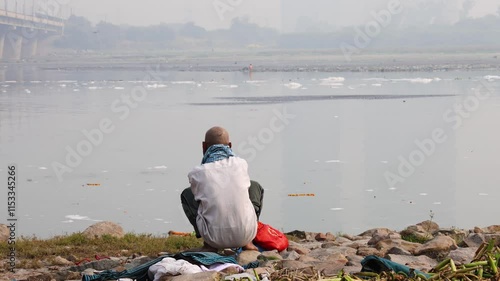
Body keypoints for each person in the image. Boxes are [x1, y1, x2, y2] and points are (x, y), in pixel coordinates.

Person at [180, 126, 264, 252]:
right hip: (245, 234)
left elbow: (200, 198)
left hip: (213, 238)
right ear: (229, 145)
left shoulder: (197, 173)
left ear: (204, 146)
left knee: (187, 194)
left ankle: (209, 245)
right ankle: (249, 242)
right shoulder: (241, 164)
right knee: (254, 186)